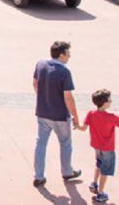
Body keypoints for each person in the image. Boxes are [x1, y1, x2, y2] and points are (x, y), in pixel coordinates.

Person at [33, 41, 83, 187]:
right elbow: (68, 97)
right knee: (65, 143)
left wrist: (42, 98)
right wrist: (75, 117)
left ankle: (39, 175)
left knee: (40, 144)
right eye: (68, 54)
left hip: (42, 112)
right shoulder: (64, 72)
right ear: (61, 55)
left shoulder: (40, 64)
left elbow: (35, 83)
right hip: (60, 115)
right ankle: (67, 172)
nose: (69, 56)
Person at [79, 89, 119, 203]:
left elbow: (83, 127)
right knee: (105, 171)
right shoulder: (111, 117)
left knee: (98, 164)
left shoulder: (91, 114)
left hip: (96, 145)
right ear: (105, 103)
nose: (111, 101)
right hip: (107, 148)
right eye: (110, 100)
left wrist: (76, 125)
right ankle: (100, 193)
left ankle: (94, 183)